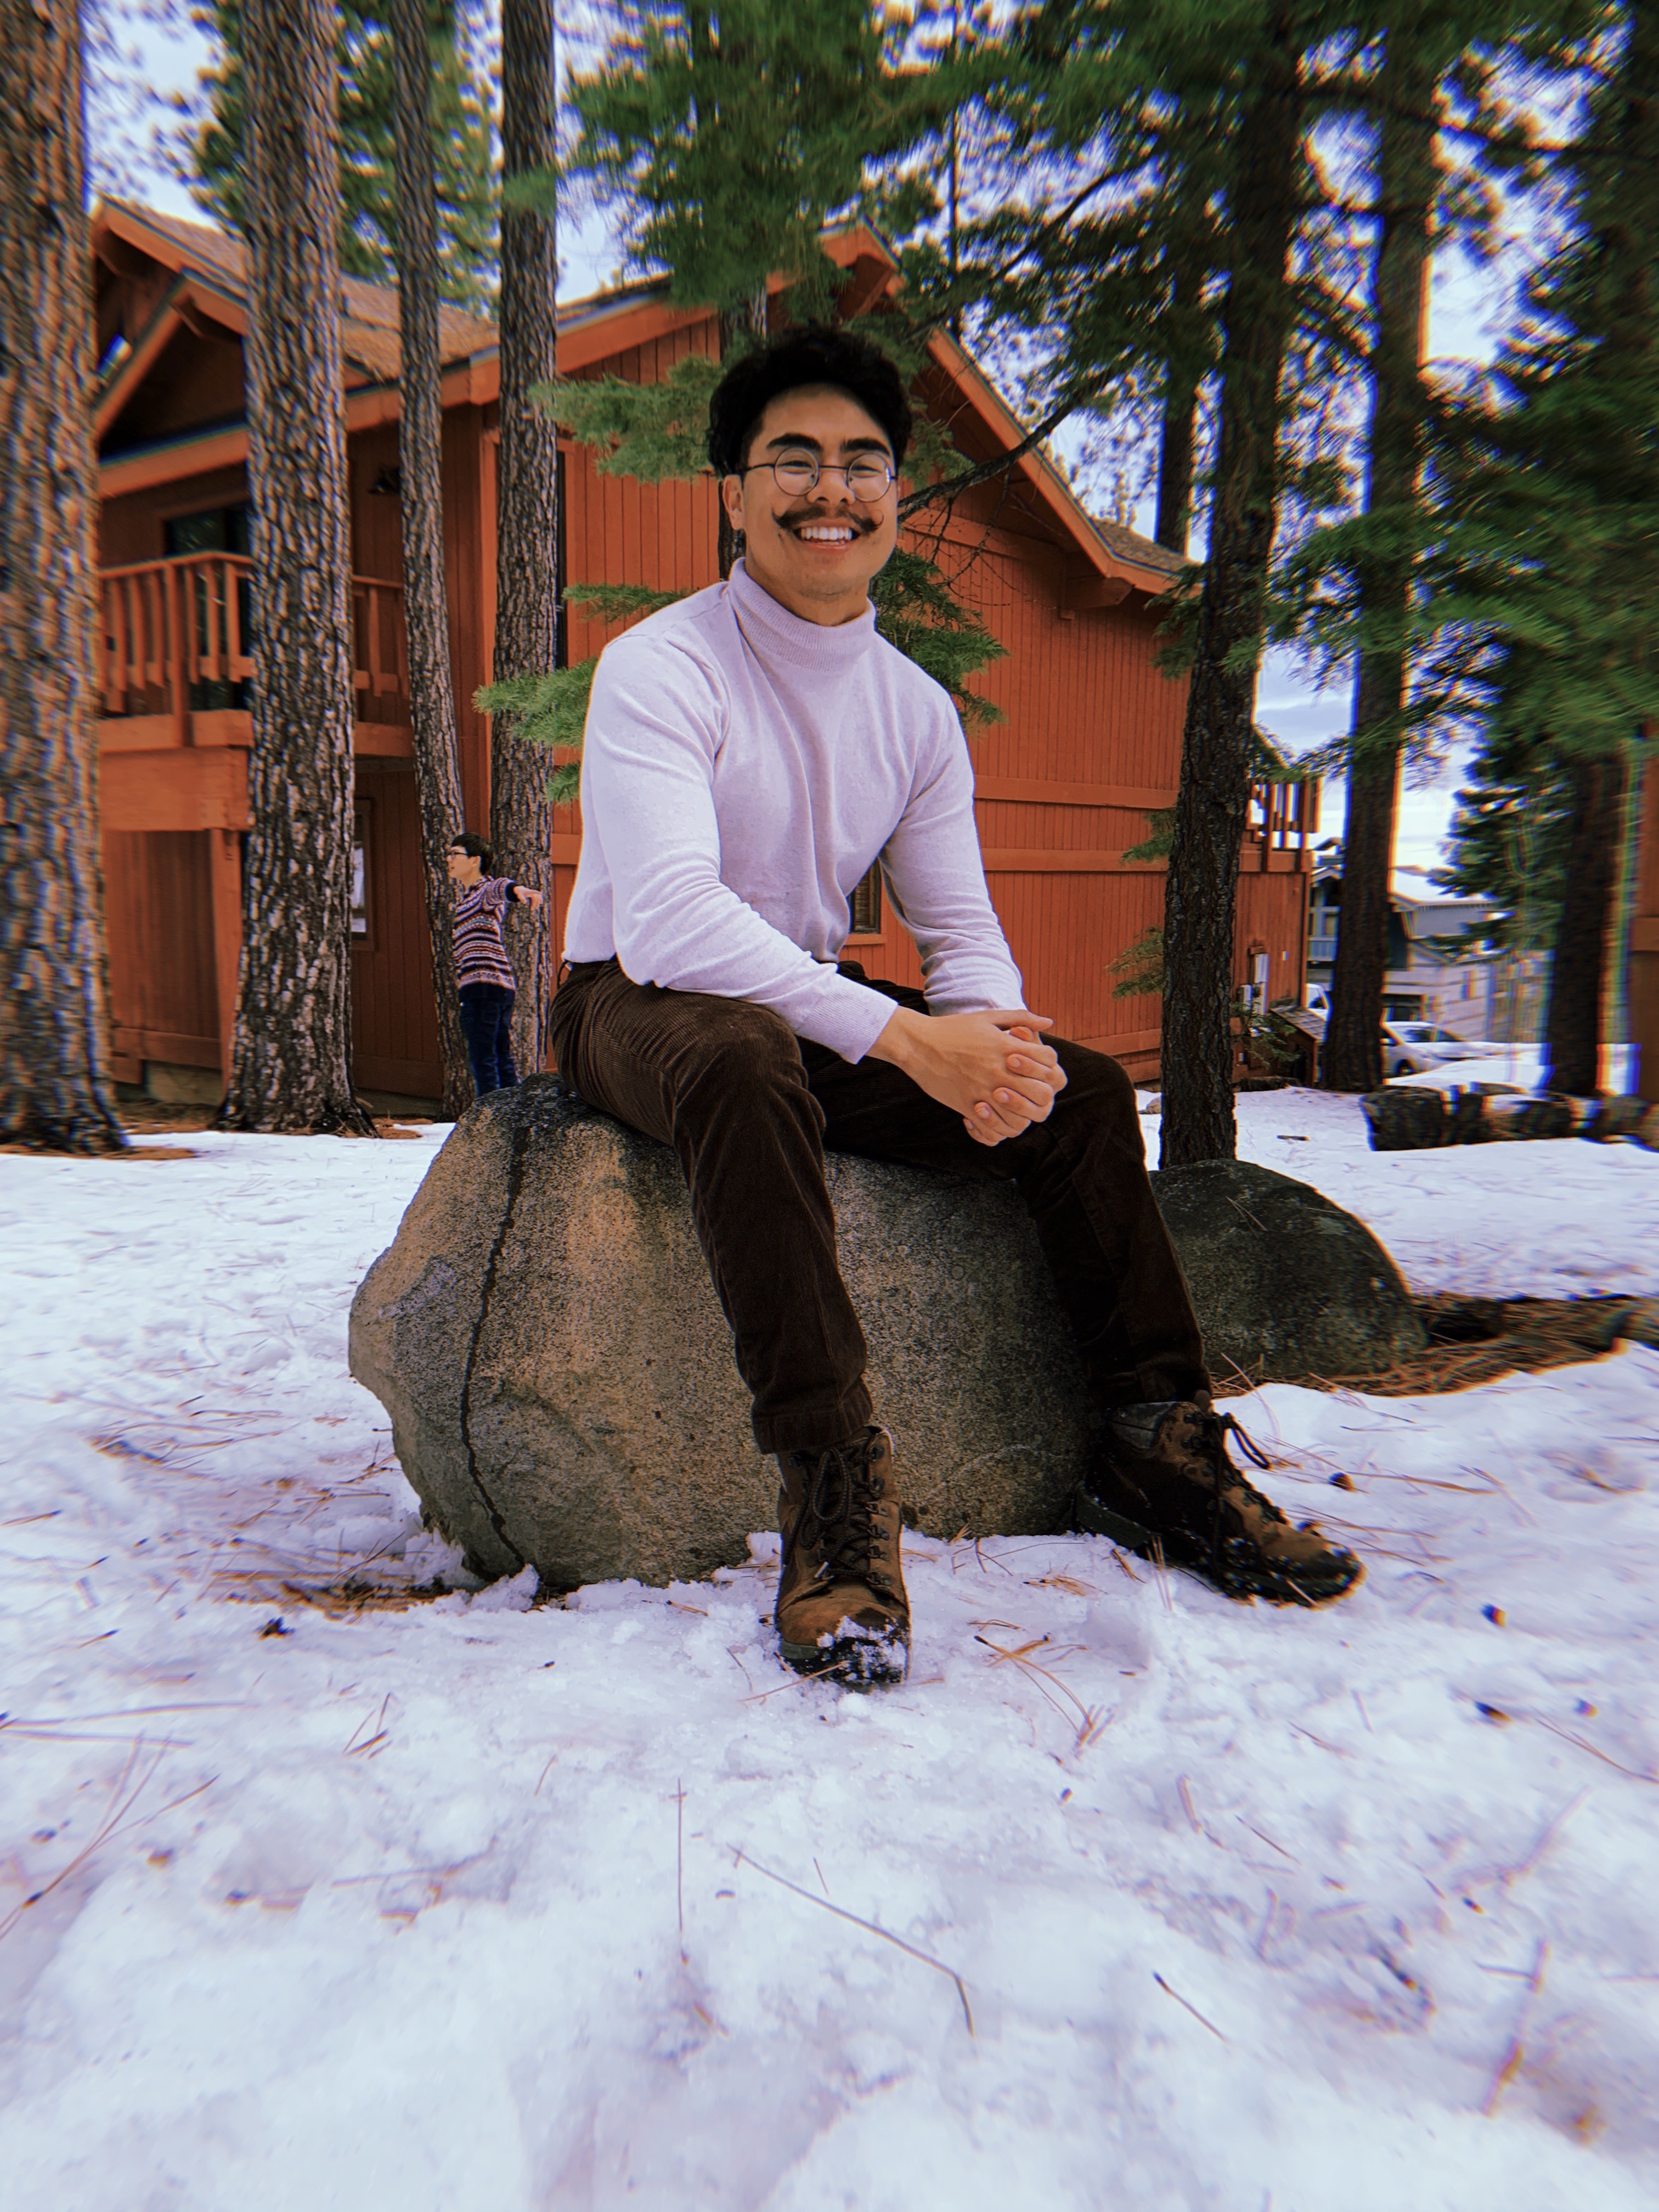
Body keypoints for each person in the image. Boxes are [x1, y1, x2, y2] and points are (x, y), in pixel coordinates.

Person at [550, 326, 1361, 1688]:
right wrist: (906, 1037)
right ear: (733, 493)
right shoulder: (663, 666)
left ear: (896, 499)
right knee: (750, 1059)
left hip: (795, 1007)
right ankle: (832, 1483)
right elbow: (675, 920)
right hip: (630, 1000)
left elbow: (959, 923)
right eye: (792, 460)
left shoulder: (916, 712)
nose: (832, 490)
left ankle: (1148, 1440)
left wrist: (997, 1050)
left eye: (863, 463)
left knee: (1088, 1094)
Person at [447, 832, 544, 1099]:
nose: (449, 859)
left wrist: (519, 890)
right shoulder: (465, 902)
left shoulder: (483, 891)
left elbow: (501, 888)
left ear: (475, 860)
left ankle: (491, 1126)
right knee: (499, 1057)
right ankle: (509, 1120)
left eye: (455, 854)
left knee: (485, 1061)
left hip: (485, 987)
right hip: (490, 988)